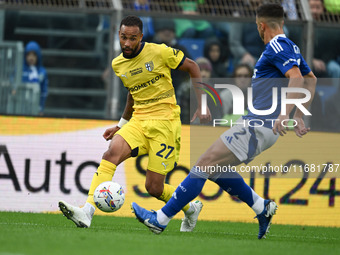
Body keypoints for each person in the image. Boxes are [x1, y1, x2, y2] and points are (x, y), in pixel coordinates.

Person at [131, 3, 317, 239]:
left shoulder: (277, 45)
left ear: (261, 26)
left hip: (259, 124)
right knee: (216, 169)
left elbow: (298, 78)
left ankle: (160, 219)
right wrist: (298, 116)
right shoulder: (291, 46)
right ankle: (262, 208)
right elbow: (311, 79)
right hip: (260, 125)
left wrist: (284, 114)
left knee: (203, 163)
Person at [58, 15, 211, 231]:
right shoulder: (118, 64)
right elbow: (133, 93)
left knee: (154, 187)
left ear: (140, 37)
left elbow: (193, 67)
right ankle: (87, 211)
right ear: (118, 36)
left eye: (132, 38)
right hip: (139, 120)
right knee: (110, 154)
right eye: (123, 38)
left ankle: (190, 208)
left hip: (165, 123)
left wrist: (202, 104)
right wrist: (120, 125)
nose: (127, 43)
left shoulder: (159, 52)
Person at [17, 41, 48, 115]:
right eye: (29, 55)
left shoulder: (42, 72)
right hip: (19, 107)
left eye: (34, 55)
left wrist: (41, 108)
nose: (31, 58)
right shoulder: (19, 70)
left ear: (38, 56)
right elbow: (14, 84)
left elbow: (44, 92)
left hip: (35, 108)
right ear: (25, 56)